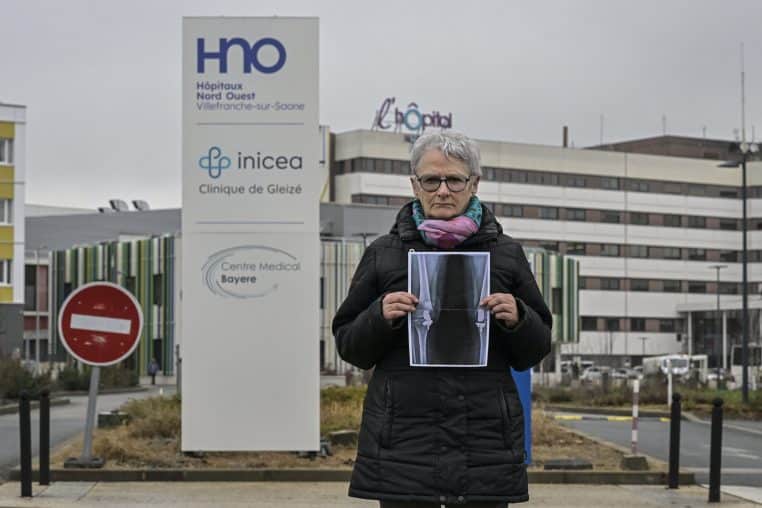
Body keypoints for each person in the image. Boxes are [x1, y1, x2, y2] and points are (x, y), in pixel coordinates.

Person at [332, 131, 552, 508]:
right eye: (431, 180)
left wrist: (519, 319)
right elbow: (350, 345)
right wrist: (379, 316)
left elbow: (535, 349)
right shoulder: (383, 254)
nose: (443, 191)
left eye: (454, 180)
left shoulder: (507, 255)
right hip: (404, 446)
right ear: (415, 184)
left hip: (484, 447)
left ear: (474, 183)